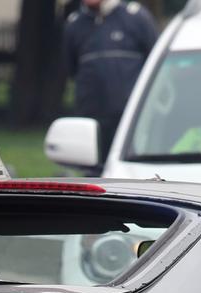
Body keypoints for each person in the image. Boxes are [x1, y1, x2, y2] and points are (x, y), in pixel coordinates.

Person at [63, 0, 157, 169]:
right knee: (94, 175)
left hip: (130, 120)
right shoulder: (74, 24)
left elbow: (155, 65)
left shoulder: (135, 17)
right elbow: (71, 68)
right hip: (92, 121)